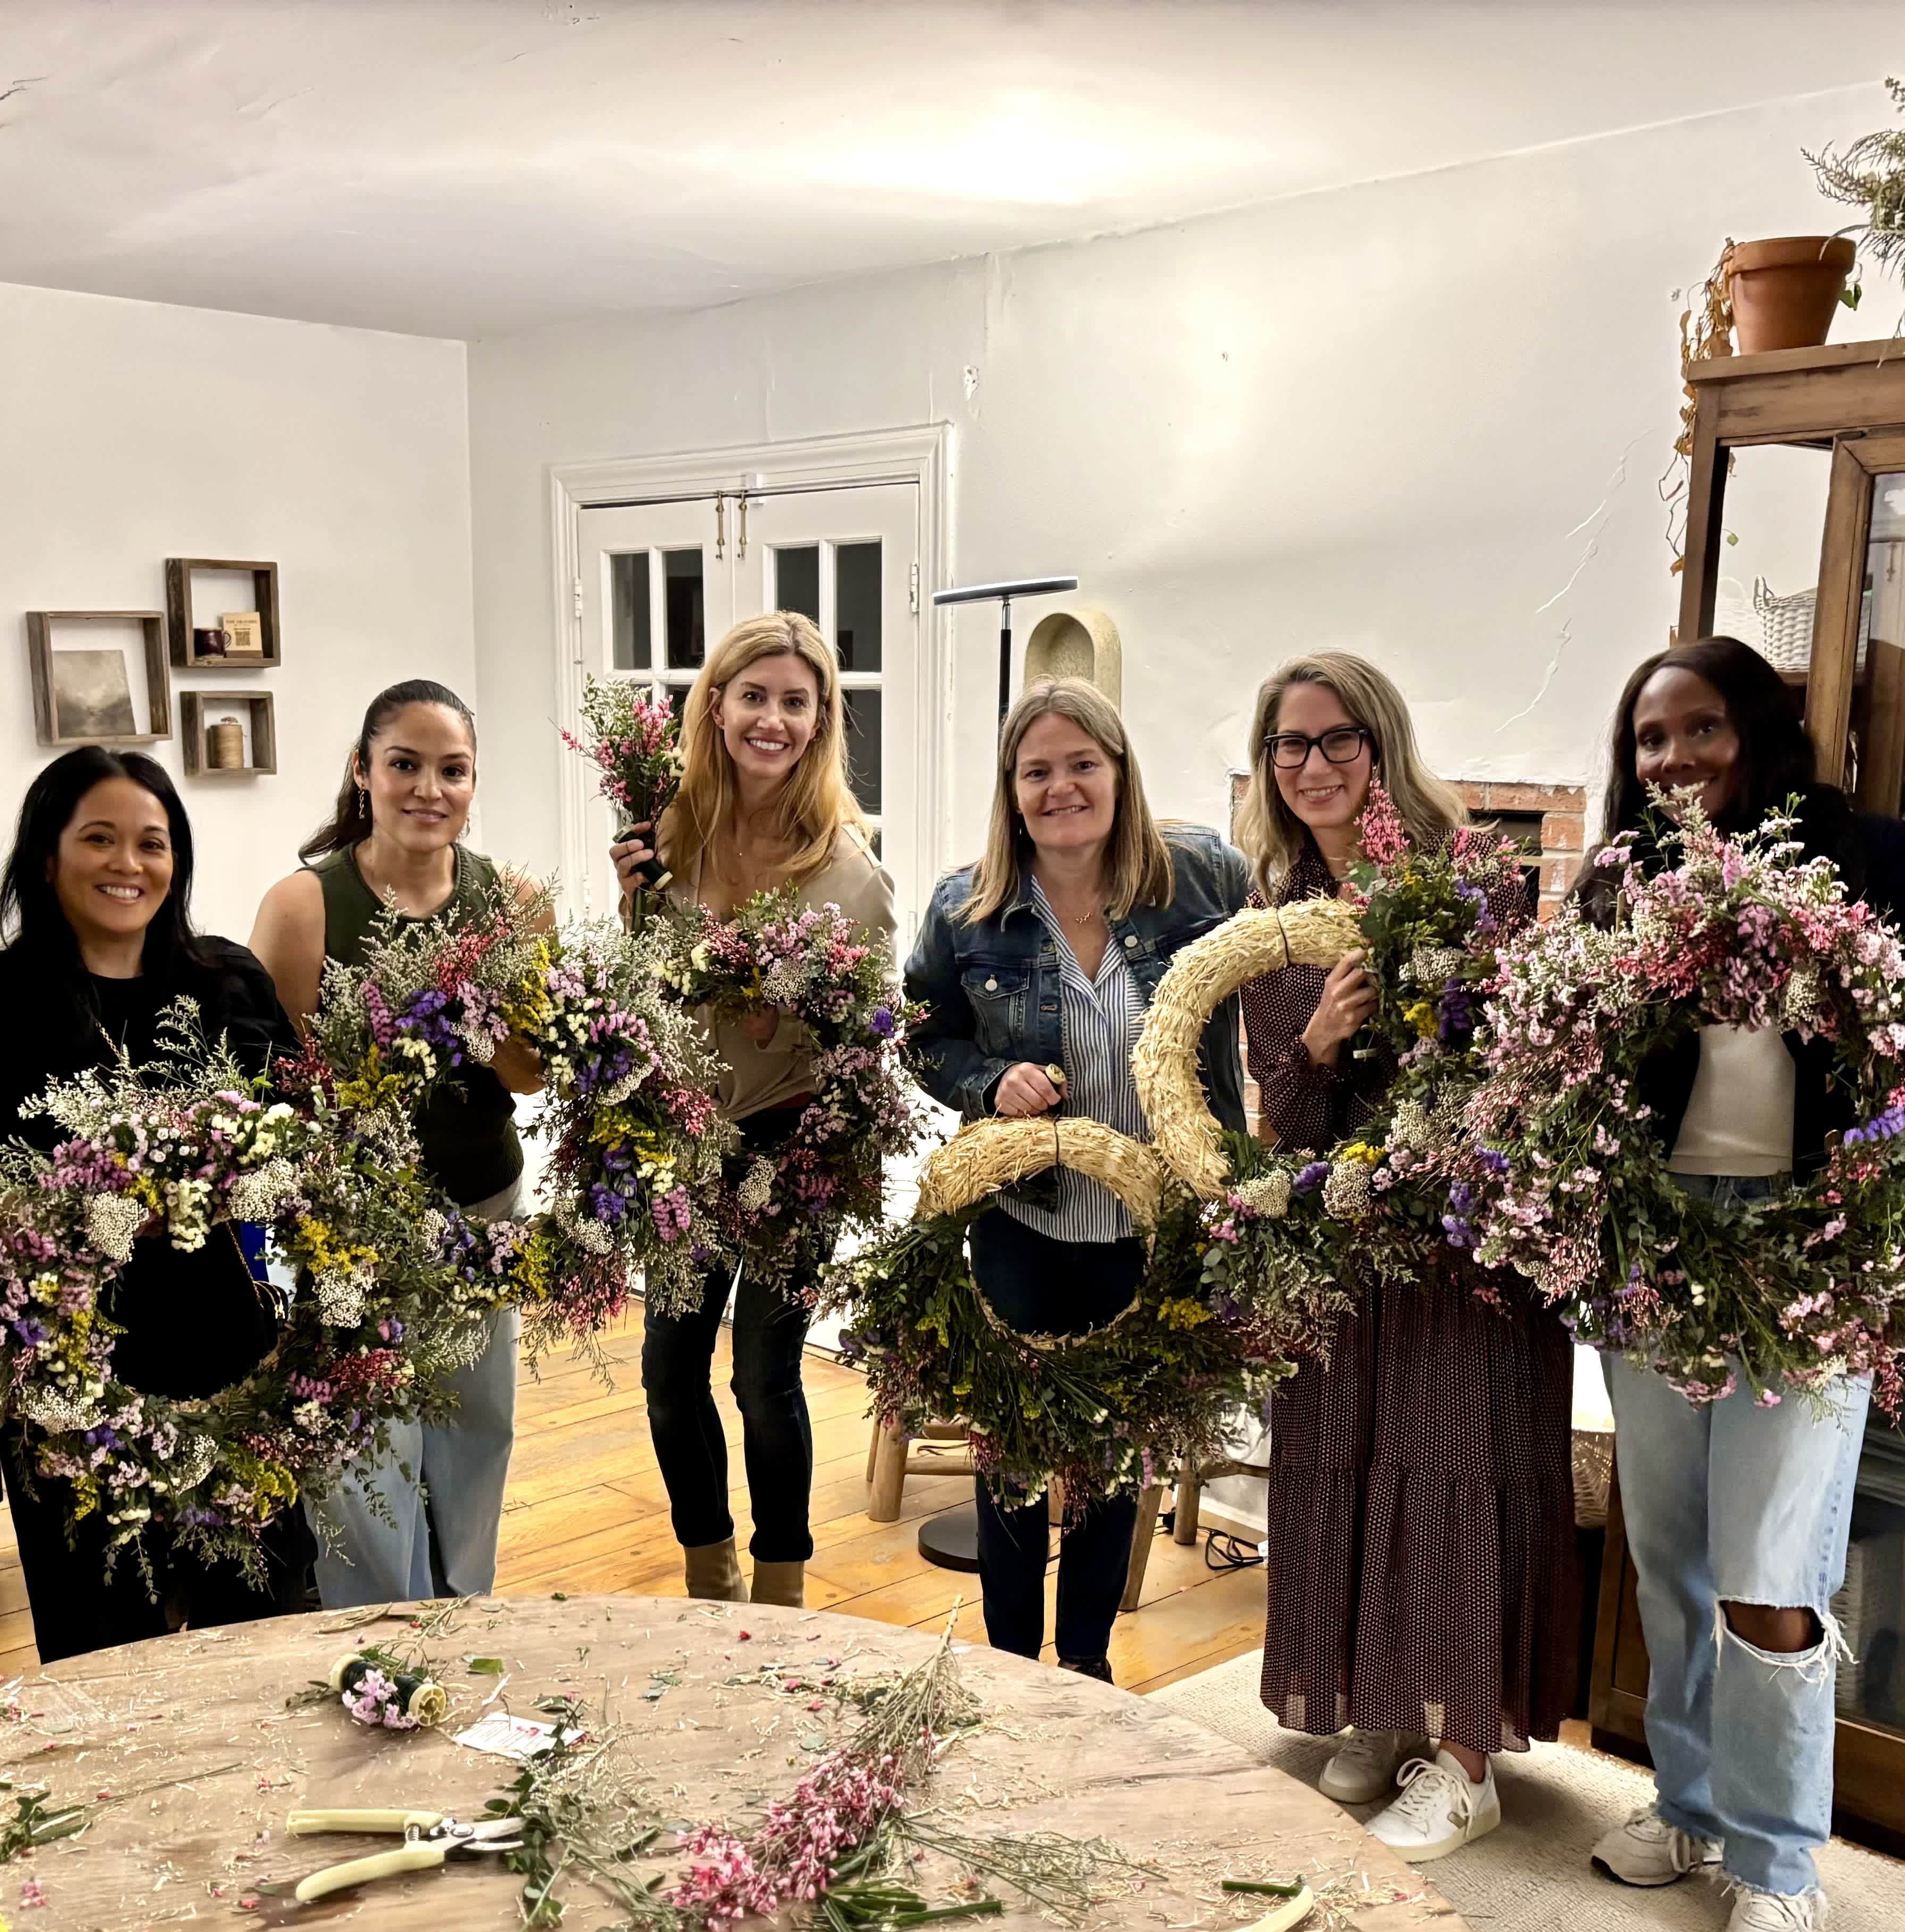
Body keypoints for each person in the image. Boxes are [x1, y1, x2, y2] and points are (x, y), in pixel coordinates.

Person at [1581, 636, 1905, 1932]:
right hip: (1658, 1238)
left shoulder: (1868, 860)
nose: (1673, 759)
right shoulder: (1623, 880)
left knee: (1770, 1568)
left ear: (1757, 733)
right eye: (1649, 739)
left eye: (1701, 728)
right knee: (1669, 1547)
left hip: (1811, 1242)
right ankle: (1686, 1807)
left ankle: (1780, 1862)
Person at [1236, 651, 1582, 1862]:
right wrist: (1319, 1043)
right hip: (1345, 1245)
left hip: (1458, 1248)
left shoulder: (1472, 881)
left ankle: (1465, 1762)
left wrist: (1431, 1022)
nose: (1313, 764)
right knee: (1344, 1458)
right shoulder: (1275, 921)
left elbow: (1525, 1066)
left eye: (1337, 739)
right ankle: (1380, 1706)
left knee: (1449, 1468)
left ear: (1380, 746)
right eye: (1289, 744)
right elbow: (1284, 1126)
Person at [0, 745, 308, 1662]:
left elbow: (300, 1142)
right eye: (99, 838)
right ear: (45, 855)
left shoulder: (227, 983)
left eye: (152, 843)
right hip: (62, 1370)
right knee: (99, 1641)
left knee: (258, 1616)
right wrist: (83, 1200)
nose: (128, 864)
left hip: (225, 1342)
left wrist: (230, 1177)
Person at [903, 680, 1249, 1679]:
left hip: (1153, 1230)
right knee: (1012, 1451)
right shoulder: (966, 910)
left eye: (1082, 764)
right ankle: (1011, 1667)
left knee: (1114, 1450)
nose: (1061, 788)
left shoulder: (1201, 879)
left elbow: (1272, 981)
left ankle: (1088, 1667)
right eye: (1037, 771)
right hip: (1024, 1224)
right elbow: (923, 1037)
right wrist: (985, 1081)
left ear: (1119, 772)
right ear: (1011, 792)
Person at [612, 613, 893, 1606]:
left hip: (795, 1136)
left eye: (794, 702)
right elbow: (642, 992)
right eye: (753, 697)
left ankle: (782, 1585)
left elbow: (870, 1032)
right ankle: (708, 1567)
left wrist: (791, 1020)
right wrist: (632, 908)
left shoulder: (848, 870)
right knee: (668, 1371)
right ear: (717, 707)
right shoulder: (665, 835)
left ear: (819, 722)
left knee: (765, 1378)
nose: (771, 719)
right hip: (684, 1137)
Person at [251, 680, 546, 1608]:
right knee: (363, 1448)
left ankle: (464, 1616)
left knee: (475, 1427)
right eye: (404, 765)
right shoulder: (304, 906)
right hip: (354, 1230)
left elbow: (531, 1074)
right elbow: (276, 1090)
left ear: (473, 782)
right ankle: (379, 1630)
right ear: (362, 771)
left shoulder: (514, 903)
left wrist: (476, 1018)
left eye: (451, 770)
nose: (428, 789)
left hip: (484, 1209)